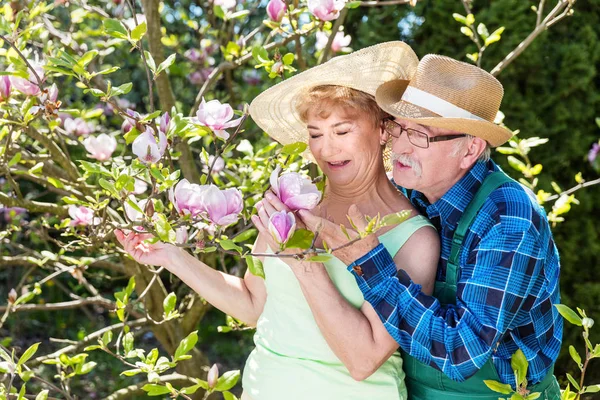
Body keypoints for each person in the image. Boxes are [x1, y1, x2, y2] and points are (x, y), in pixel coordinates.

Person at [115, 42, 440, 400]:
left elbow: (364, 359)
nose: (326, 149)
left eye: (342, 131)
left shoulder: (414, 239)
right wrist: (172, 256)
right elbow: (254, 304)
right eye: (315, 133)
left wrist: (303, 262)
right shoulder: (292, 207)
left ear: (382, 130)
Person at [290, 55, 563, 399]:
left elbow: (461, 352)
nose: (399, 146)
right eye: (398, 127)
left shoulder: (509, 217)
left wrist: (369, 262)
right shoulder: (407, 193)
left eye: (419, 134)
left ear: (470, 149)